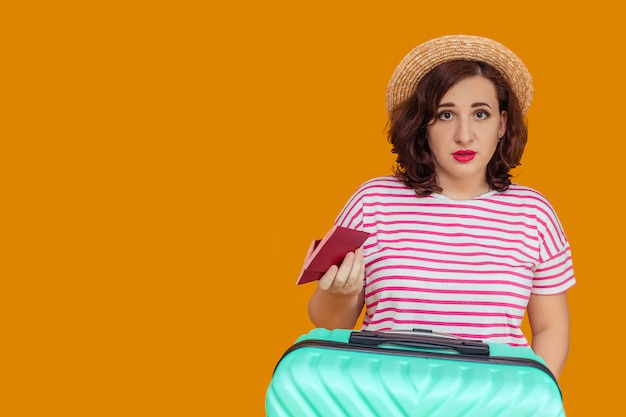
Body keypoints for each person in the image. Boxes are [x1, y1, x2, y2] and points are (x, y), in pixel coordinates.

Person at [306, 34, 575, 379]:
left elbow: (552, 328)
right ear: (422, 125)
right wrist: (338, 296)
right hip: (385, 393)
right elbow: (330, 323)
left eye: (481, 113)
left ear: (502, 124)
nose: (465, 135)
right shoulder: (373, 202)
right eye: (445, 115)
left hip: (494, 398)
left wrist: (532, 396)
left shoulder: (533, 213)